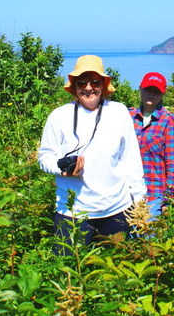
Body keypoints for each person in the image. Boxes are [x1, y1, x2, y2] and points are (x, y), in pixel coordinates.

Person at [38, 55, 146, 251]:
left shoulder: (119, 112)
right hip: (72, 211)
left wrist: (138, 199)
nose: (88, 88)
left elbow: (131, 159)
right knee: (67, 271)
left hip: (116, 209)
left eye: (95, 82)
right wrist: (62, 168)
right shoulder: (59, 116)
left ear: (103, 85)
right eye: (82, 83)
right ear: (74, 86)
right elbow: (45, 156)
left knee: (116, 271)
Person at [129, 72, 174, 217]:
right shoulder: (128, 117)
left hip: (153, 195)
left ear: (162, 94)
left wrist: (168, 199)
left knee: (149, 237)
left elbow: (173, 163)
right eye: (147, 89)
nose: (151, 94)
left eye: (156, 91)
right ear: (140, 89)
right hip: (127, 195)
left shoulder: (168, 121)